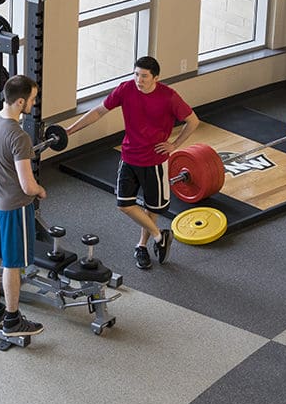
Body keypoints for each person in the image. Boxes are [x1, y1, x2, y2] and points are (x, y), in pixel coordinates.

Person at [66, 56, 199, 269]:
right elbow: (99, 111)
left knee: (151, 208)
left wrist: (175, 145)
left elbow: (193, 121)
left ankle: (142, 246)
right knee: (124, 205)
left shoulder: (169, 97)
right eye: (136, 74)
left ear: (156, 77)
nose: (139, 80)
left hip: (154, 161)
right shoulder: (125, 89)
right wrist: (71, 129)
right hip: (129, 157)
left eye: (144, 76)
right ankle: (159, 235)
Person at [0, 75, 46, 337]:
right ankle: (11, 320)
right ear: (20, 102)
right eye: (31, 99)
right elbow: (27, 185)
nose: (33, 103)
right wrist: (40, 191)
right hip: (14, 207)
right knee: (12, 263)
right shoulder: (19, 137)